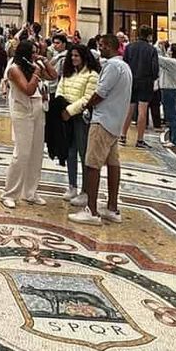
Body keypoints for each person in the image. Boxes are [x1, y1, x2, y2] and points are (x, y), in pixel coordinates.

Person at [68, 34, 132, 225]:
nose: (100, 49)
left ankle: (91, 210)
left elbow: (100, 92)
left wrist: (87, 106)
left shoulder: (112, 66)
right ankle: (112, 207)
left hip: (102, 120)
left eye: (102, 46)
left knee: (92, 164)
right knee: (113, 163)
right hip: (115, 121)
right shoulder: (125, 66)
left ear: (110, 47)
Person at [0, 39, 56, 209]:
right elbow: (28, 89)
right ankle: (9, 193)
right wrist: (37, 72)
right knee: (22, 153)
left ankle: (30, 192)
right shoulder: (14, 69)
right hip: (22, 112)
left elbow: (54, 76)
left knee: (36, 153)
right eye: (32, 52)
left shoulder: (32, 65)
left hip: (37, 110)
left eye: (36, 51)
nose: (34, 55)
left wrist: (44, 61)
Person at [58, 44, 100, 202]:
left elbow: (88, 98)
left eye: (77, 55)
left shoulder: (92, 75)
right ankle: (72, 185)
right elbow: (60, 89)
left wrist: (69, 110)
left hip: (81, 118)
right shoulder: (67, 73)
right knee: (70, 152)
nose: (74, 58)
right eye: (72, 56)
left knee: (84, 153)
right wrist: (61, 106)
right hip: (66, 116)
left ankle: (85, 190)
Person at [121, 26, 158, 147]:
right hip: (145, 81)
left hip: (131, 80)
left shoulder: (129, 47)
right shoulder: (151, 49)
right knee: (142, 111)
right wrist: (152, 78)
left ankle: (123, 135)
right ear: (149, 36)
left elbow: (124, 63)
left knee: (128, 109)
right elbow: (155, 69)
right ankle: (140, 139)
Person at [157, 42, 176, 152]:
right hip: (169, 90)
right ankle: (173, 138)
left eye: (169, 49)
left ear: (172, 52)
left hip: (169, 91)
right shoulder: (174, 62)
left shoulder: (173, 62)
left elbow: (159, 58)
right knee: (170, 115)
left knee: (173, 116)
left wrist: (157, 48)